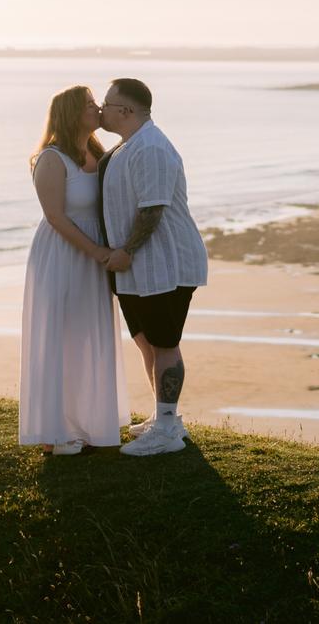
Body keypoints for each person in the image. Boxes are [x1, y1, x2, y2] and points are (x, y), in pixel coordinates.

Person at [99, 77, 208, 457]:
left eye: (107, 103)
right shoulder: (127, 146)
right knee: (146, 342)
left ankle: (167, 428)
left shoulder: (151, 148)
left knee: (165, 344)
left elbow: (153, 209)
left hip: (166, 262)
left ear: (126, 111)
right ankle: (164, 418)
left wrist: (126, 250)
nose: (101, 109)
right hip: (137, 267)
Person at [18, 85, 125, 453]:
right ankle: (54, 433)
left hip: (93, 255)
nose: (98, 109)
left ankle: (89, 424)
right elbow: (56, 217)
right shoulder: (51, 159)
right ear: (71, 114)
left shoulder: (97, 152)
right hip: (64, 253)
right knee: (59, 338)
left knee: (87, 337)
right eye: (90, 105)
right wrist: (96, 251)